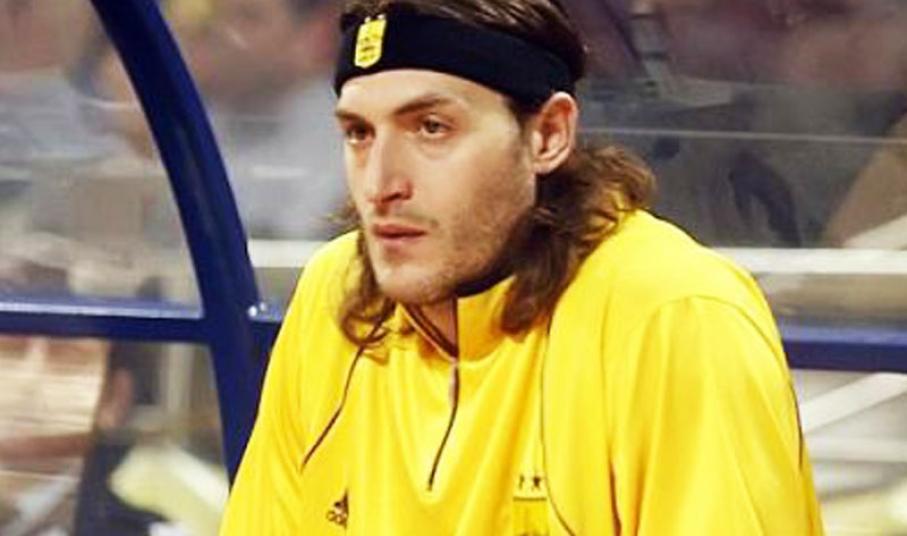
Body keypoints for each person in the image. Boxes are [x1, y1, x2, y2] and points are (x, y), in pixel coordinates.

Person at [220, 0, 824, 533]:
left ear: (548, 136)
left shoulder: (675, 316)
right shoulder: (338, 289)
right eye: (359, 133)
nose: (380, 183)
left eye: (431, 128)